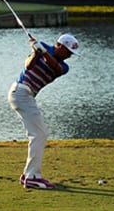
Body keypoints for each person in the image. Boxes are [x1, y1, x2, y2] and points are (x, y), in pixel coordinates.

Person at [8, 33, 80, 189]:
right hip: (21, 92)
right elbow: (28, 65)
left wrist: (43, 52)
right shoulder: (44, 48)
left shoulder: (64, 66)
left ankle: (29, 174)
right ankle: (32, 177)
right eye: (68, 52)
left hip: (24, 95)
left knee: (38, 133)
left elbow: (55, 67)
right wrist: (36, 52)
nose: (69, 56)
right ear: (60, 46)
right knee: (39, 134)